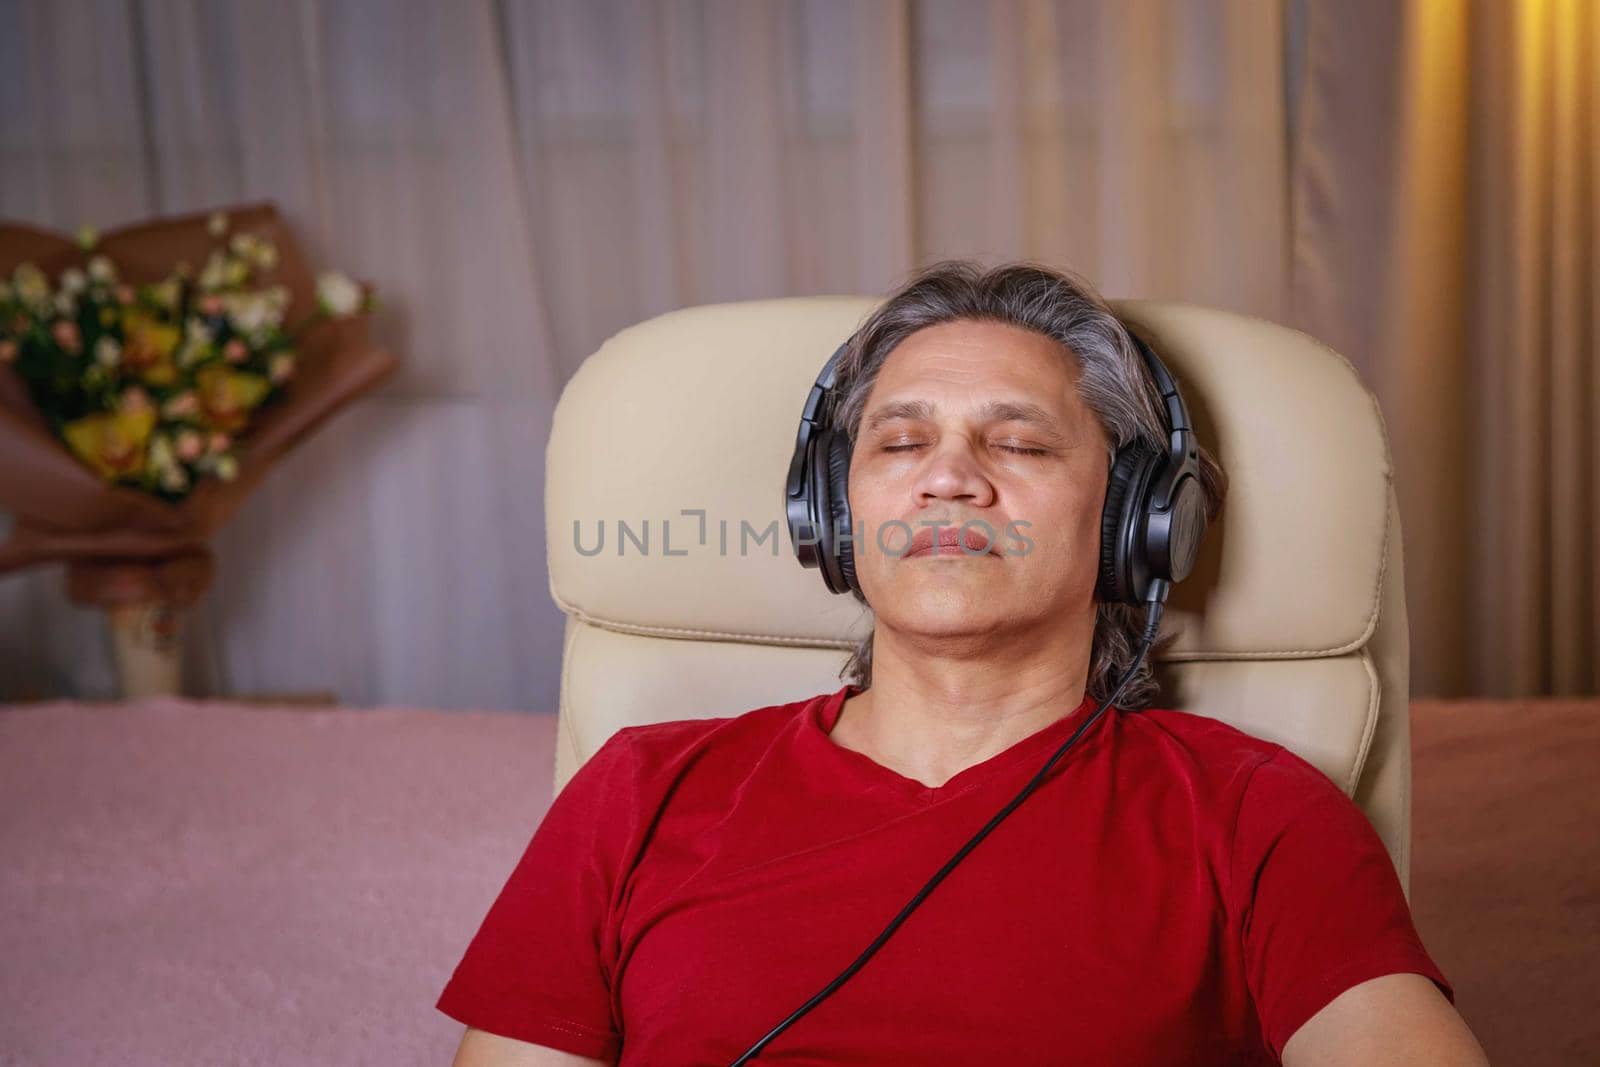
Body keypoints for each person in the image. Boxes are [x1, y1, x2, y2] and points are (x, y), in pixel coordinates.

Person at [438, 261, 1489, 1065]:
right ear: (833, 514)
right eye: (898, 442)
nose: (948, 478)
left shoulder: (1260, 815)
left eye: (1019, 444)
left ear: (1134, 519)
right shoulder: (636, 790)